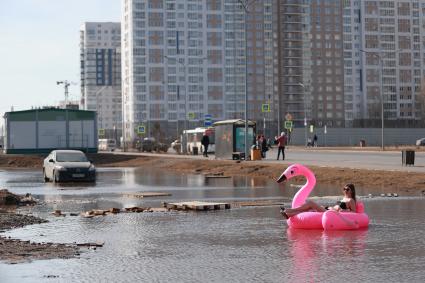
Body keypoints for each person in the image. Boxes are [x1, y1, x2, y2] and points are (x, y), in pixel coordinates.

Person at [280, 184, 357, 219]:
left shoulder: (351, 200)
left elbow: (354, 212)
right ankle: (289, 215)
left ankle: (288, 210)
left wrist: (345, 211)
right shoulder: (343, 198)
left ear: (352, 191)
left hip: (332, 213)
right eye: (344, 189)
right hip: (329, 209)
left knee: (310, 203)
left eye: (347, 189)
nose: (345, 191)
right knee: (309, 209)